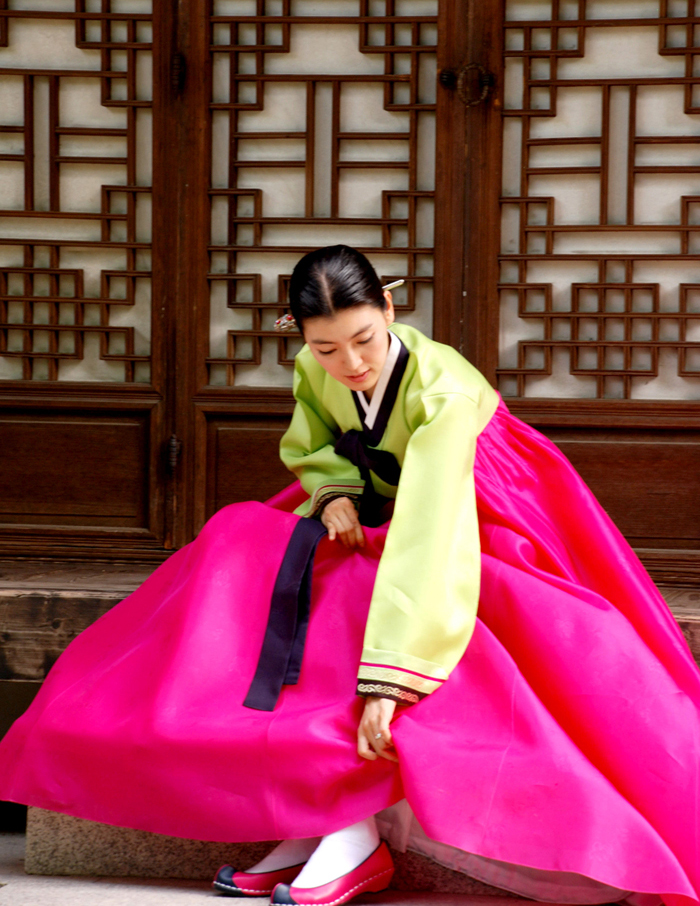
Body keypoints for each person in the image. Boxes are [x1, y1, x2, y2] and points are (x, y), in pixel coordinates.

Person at [0, 245, 699, 906]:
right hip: (375, 510)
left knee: (394, 616)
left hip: (477, 518)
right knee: (236, 544)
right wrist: (331, 491)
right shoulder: (317, 367)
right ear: (301, 333)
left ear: (390, 310)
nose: (351, 362)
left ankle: (352, 818)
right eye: (327, 347)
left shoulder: (442, 389)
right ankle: (316, 797)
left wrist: (389, 682)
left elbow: (431, 534)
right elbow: (315, 443)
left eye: (365, 338)